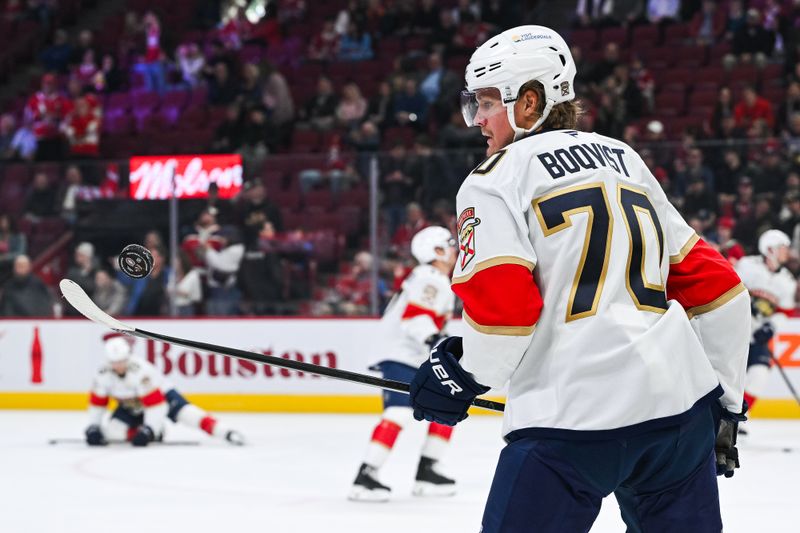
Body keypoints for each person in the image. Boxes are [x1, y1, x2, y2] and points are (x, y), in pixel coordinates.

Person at [408, 25, 751, 532]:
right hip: (677, 416)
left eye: (485, 102)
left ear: (529, 103)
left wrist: (459, 375)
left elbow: (505, 316)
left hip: (568, 422)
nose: (477, 119)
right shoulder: (625, 159)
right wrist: (727, 404)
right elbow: (720, 290)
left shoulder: (495, 179)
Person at [349, 227, 457, 502]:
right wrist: (435, 341)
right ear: (436, 251)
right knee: (397, 413)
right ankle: (366, 476)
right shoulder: (429, 278)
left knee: (447, 407)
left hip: (415, 356)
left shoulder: (436, 279)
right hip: (403, 355)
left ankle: (428, 470)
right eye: (449, 244)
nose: (455, 249)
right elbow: (415, 318)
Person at [85, 333, 244, 446]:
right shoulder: (102, 374)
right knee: (113, 434)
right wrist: (94, 426)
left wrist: (150, 430)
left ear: (128, 358)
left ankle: (226, 433)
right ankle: (149, 431)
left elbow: (156, 405)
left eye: (121, 361)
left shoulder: (141, 371)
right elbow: (98, 404)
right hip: (133, 406)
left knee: (190, 415)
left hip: (162, 397)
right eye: (114, 362)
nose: (118, 366)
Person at [734, 230, 797, 426]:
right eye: (783, 248)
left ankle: (738, 420)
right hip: (736, 330)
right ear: (770, 249)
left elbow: (784, 312)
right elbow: (728, 288)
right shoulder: (747, 265)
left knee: (759, 376)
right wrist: (743, 302)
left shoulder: (787, 281)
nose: (787, 252)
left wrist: (771, 328)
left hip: (758, 335)